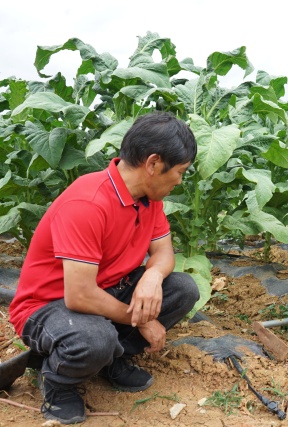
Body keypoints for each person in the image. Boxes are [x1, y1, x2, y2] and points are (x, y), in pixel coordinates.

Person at [9, 112, 200, 425]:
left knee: (182, 289)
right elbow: (80, 296)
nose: (179, 181)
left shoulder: (149, 199)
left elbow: (164, 252)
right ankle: (58, 382)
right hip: (48, 306)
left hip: (106, 291)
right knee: (94, 339)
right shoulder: (88, 202)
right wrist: (141, 320)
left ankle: (112, 359)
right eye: (180, 171)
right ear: (153, 164)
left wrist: (152, 275)